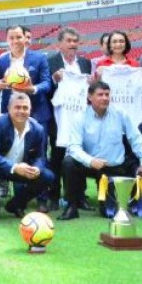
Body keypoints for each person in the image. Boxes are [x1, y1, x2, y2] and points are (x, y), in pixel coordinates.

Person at [59, 81, 142, 221]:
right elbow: (73, 147)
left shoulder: (120, 114)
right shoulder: (80, 117)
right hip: (91, 165)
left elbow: (136, 139)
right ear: (90, 97)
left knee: (108, 213)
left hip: (115, 167)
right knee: (68, 162)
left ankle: (136, 204)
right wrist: (90, 161)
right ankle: (71, 206)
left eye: (107, 94)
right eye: (100, 94)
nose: (105, 98)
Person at [0, 93, 55, 223]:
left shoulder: (38, 129)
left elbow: (41, 156)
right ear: (9, 109)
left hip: (24, 168)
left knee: (48, 176)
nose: (21, 111)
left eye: (25, 108)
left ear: (30, 110)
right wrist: (14, 167)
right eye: (17, 107)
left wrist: (37, 168)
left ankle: (15, 205)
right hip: (0, 166)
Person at [47, 26, 92, 211]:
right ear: (60, 43)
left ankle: (78, 196)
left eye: (75, 41)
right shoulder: (51, 61)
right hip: (58, 116)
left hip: (79, 118)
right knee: (57, 157)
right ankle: (54, 196)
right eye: (69, 41)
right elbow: (46, 90)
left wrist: (91, 83)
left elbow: (89, 90)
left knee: (79, 156)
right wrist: (54, 80)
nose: (73, 44)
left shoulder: (85, 63)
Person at [0, 25, 51, 131]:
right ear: (7, 40)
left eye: (18, 37)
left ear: (24, 38)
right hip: (10, 115)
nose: (15, 41)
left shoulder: (40, 58)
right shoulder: (1, 61)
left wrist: (33, 89)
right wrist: (1, 83)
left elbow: (47, 83)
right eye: (11, 38)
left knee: (38, 147)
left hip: (37, 114)